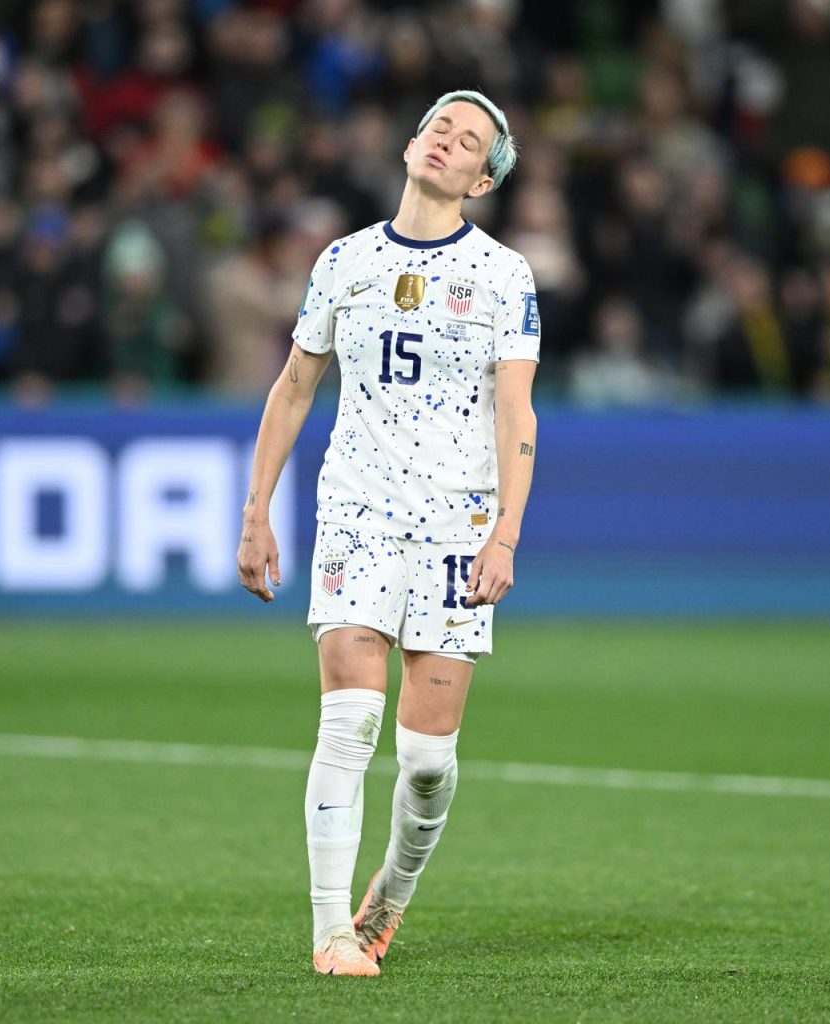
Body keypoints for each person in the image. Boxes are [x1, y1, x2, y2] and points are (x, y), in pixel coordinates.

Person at [236, 90, 540, 977]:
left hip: (458, 523)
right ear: (412, 145)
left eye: (469, 140)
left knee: (426, 760)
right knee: (348, 724)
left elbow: (516, 411)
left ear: (482, 179)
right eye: (439, 126)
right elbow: (294, 386)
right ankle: (334, 932)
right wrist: (256, 511)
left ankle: (390, 896)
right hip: (357, 514)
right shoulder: (344, 261)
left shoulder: (501, 275)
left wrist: (506, 535)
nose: (448, 141)